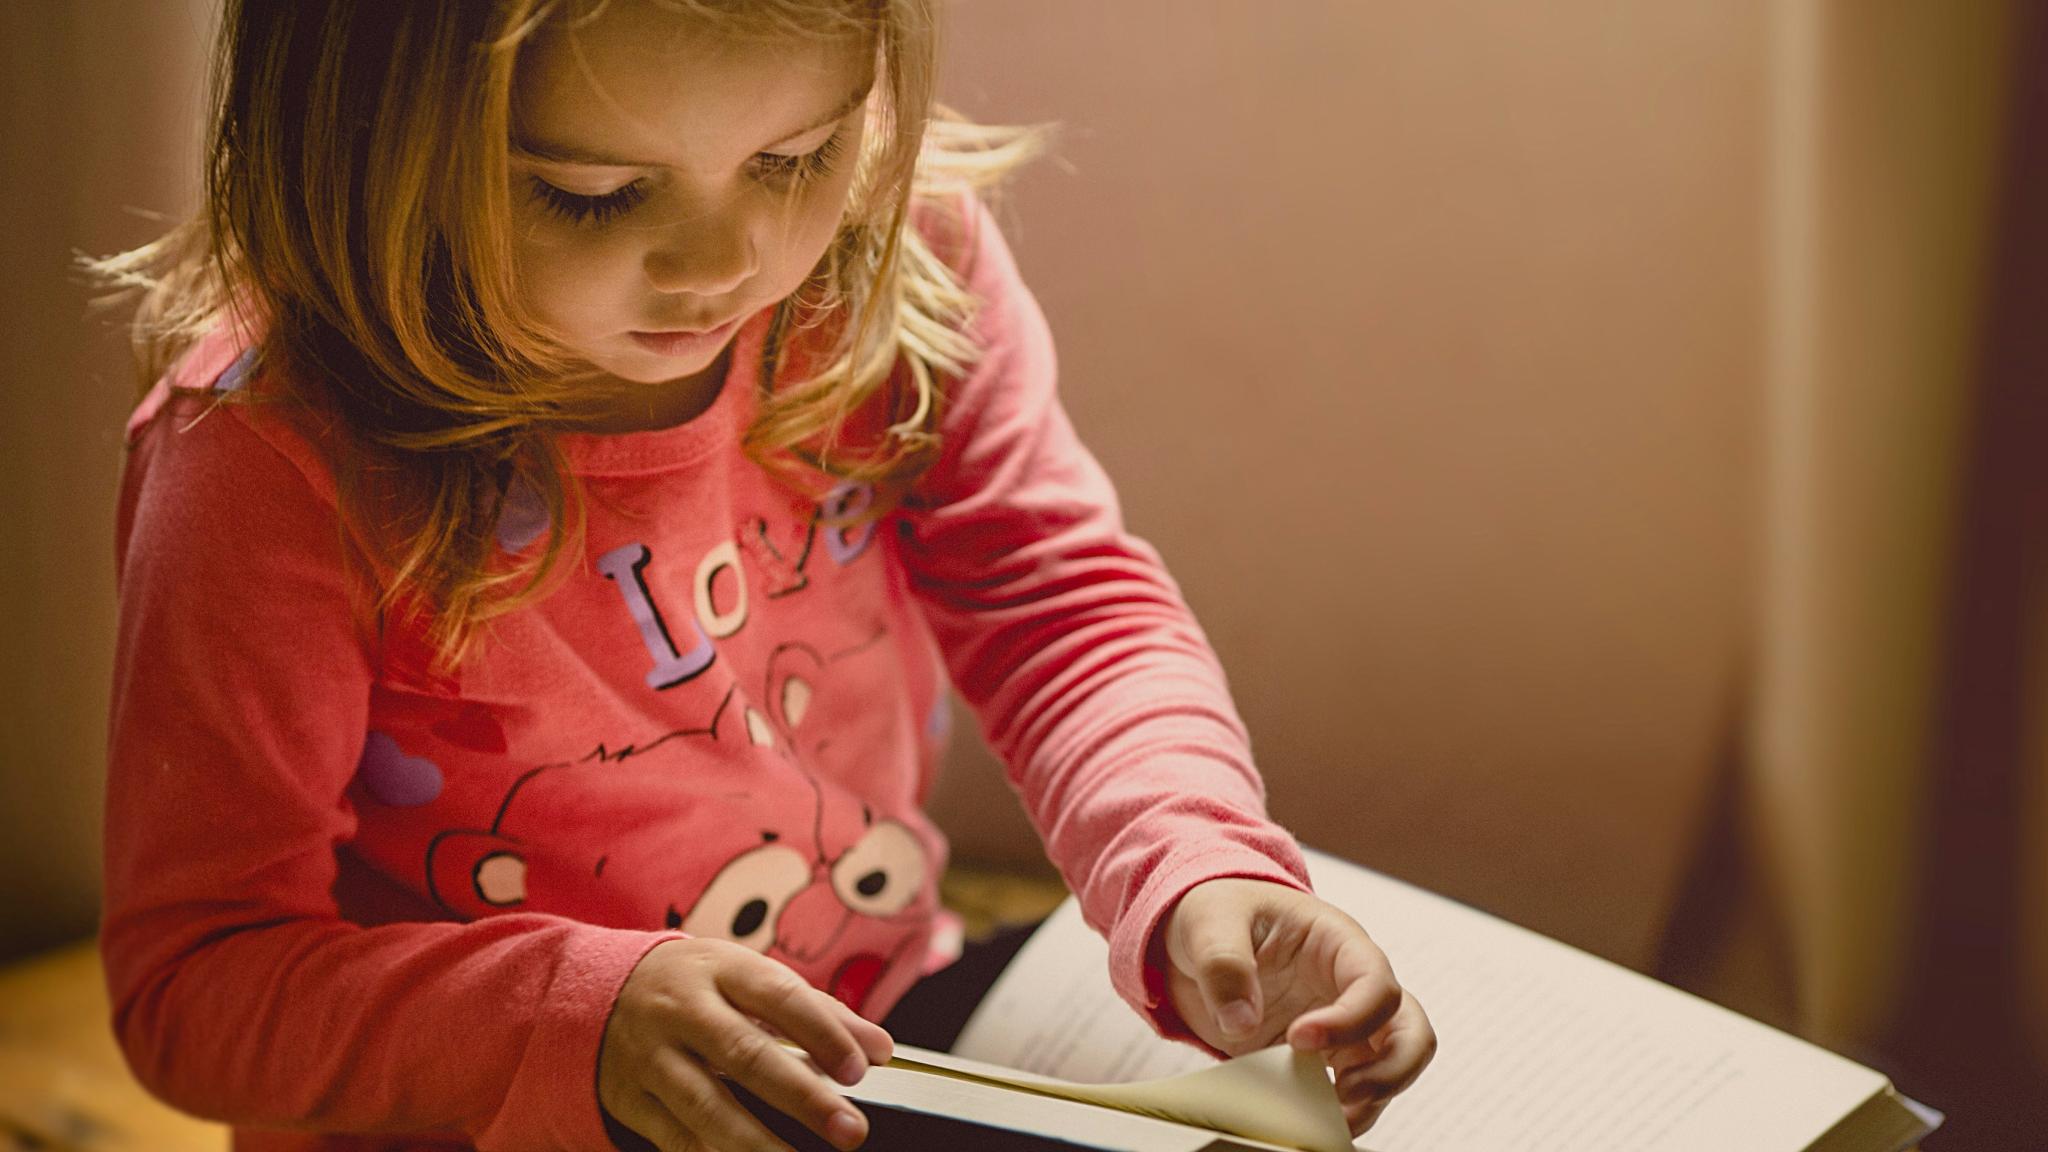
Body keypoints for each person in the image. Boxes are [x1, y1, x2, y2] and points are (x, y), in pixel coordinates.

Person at [93, 2, 1436, 1150]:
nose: (724, 263)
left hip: (877, 1037)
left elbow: (1059, 604)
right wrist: (575, 1012)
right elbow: (199, 984)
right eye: (593, 192)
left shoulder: (891, 270)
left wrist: (1195, 858)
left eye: (796, 155)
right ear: (352, 136)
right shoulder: (268, 465)